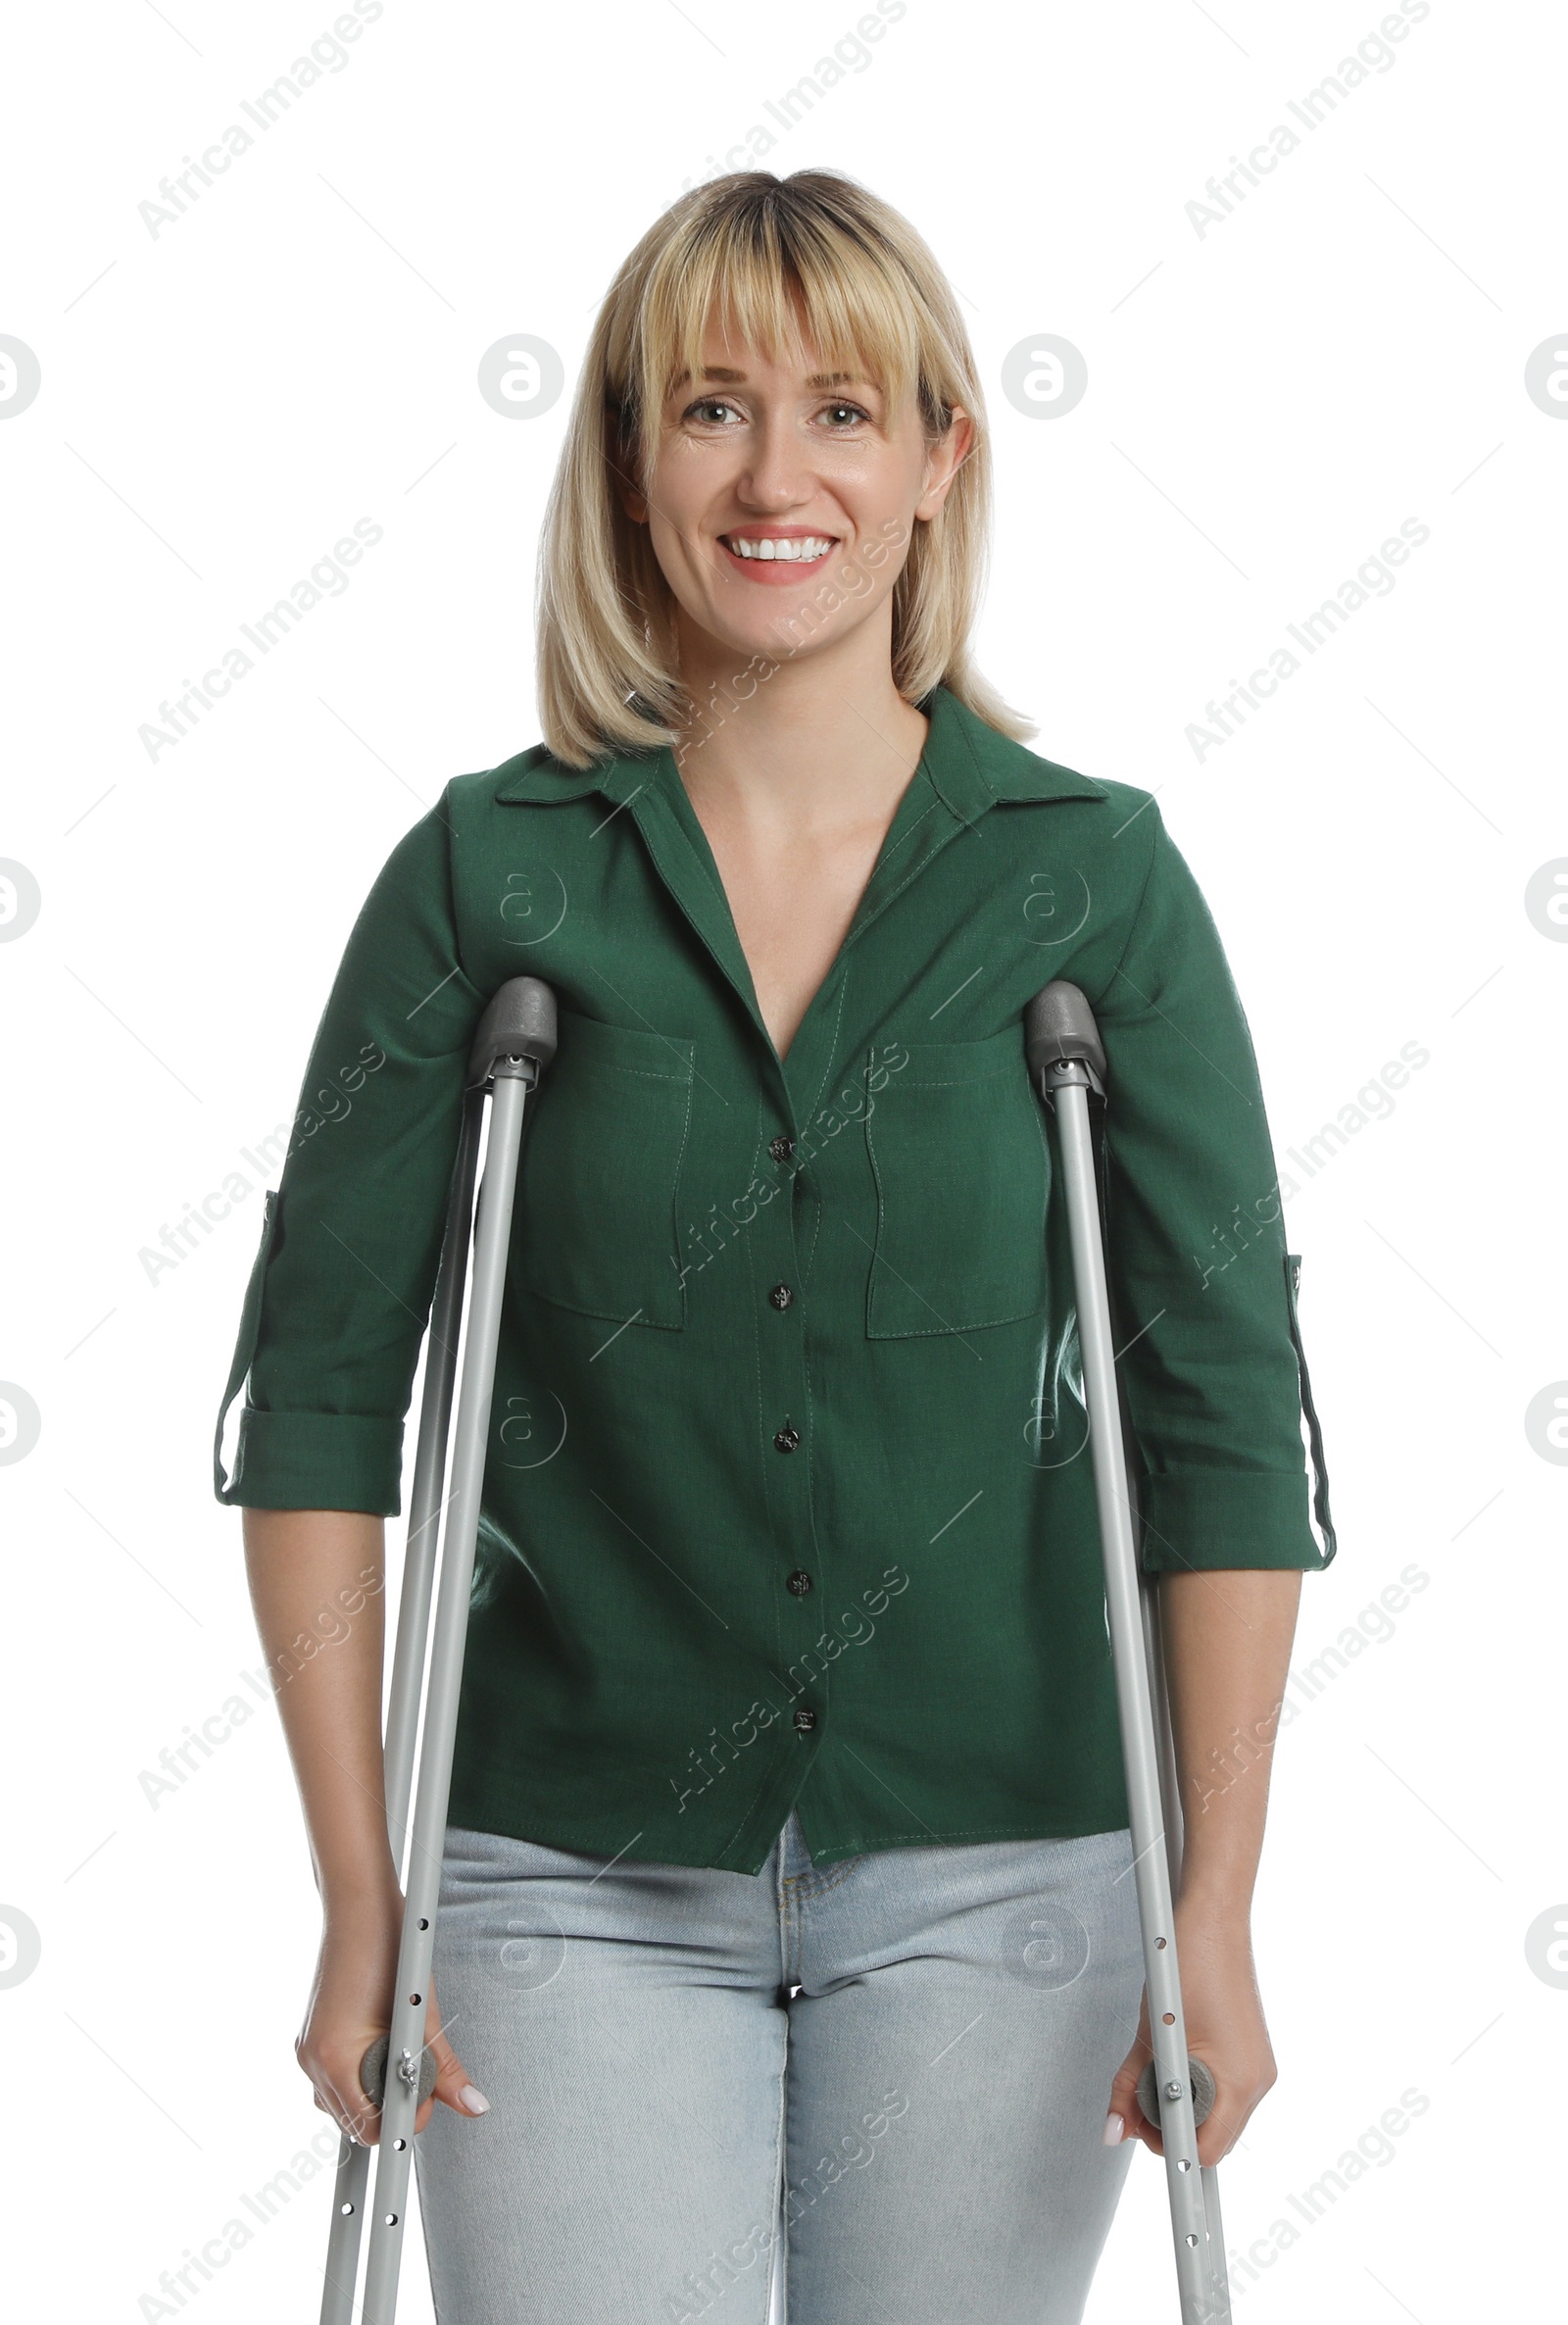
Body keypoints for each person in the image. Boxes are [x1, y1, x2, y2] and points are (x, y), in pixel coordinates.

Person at [214, 168, 1337, 2325]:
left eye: (841, 412)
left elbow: (1213, 1422)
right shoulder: (486, 875)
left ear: (937, 462)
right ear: (630, 465)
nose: (774, 474)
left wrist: (1215, 1901)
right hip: (563, 1870)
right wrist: (362, 1888)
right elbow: (329, 1399)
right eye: (710, 407)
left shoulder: (1087, 884)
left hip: (1002, 1863)